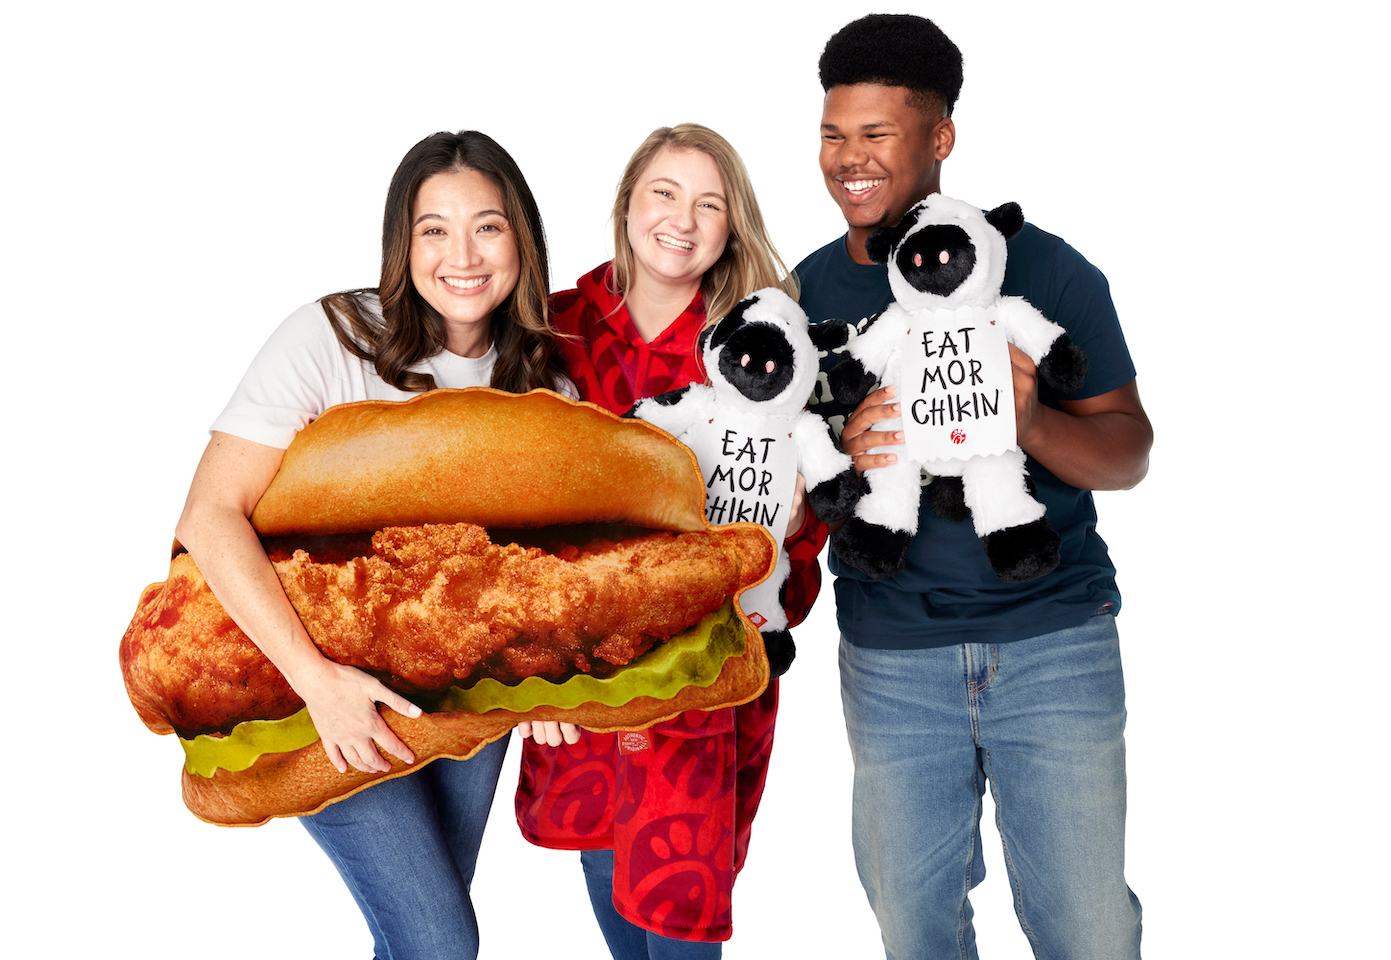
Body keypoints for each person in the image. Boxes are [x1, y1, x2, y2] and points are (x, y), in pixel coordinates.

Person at [795, 15, 1152, 960]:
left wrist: (1030, 421)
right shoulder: (805, 293)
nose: (849, 160)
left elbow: (1129, 451)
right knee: (914, 932)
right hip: (893, 656)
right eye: (833, 135)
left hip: (1054, 641)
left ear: (940, 138)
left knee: (1087, 931)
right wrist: (836, 445)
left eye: (877, 134)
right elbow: (778, 471)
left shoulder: (1042, 267)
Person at [175, 130, 570, 960]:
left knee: (422, 937)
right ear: (403, 243)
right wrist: (316, 682)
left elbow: (541, 562)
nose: (461, 254)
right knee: (439, 941)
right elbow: (208, 516)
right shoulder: (331, 336)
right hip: (318, 685)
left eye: (487, 226)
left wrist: (554, 685)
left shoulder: (544, 384)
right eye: (434, 229)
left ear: (521, 239)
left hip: (469, 689)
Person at [513, 123, 827, 958]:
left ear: (731, 227)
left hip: (703, 692)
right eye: (665, 192)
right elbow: (504, 513)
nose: (682, 220)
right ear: (626, 203)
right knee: (621, 935)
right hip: (582, 688)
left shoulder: (765, 349)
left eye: (709, 203)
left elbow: (793, 575)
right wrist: (524, 671)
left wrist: (794, 524)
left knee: (681, 935)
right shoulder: (553, 328)